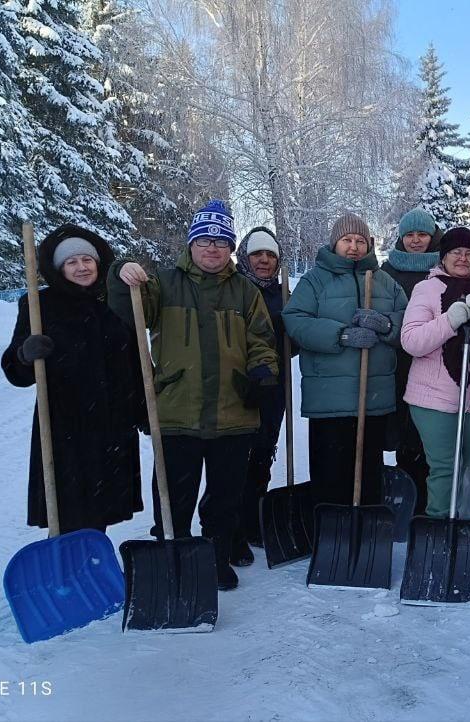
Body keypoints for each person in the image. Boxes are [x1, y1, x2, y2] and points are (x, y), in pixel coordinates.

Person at [108, 199, 280, 591]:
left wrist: (262, 370)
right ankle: (174, 557)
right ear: (191, 245)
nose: (212, 248)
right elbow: (127, 313)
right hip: (175, 411)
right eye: (204, 240)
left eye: (221, 241)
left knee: (224, 499)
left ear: (231, 248)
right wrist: (122, 274)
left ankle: (215, 558)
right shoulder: (164, 285)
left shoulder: (244, 291)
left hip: (233, 412)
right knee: (174, 499)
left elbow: (262, 339)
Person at [1, 225, 144, 534]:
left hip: (111, 428)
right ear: (59, 268)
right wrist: (25, 354)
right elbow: (15, 369)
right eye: (72, 262)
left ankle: (91, 569)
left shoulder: (111, 303)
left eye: (87, 260)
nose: (81, 268)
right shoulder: (39, 306)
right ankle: (69, 572)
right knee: (67, 511)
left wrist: (144, 411)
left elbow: (134, 363)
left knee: (99, 513)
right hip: (66, 429)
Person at [282, 212, 408, 510]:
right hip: (329, 399)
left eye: (360, 241)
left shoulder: (384, 282)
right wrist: (341, 335)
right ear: (334, 243)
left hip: (372, 397)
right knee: (330, 473)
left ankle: (365, 533)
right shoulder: (315, 281)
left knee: (368, 472)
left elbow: (411, 321)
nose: (354, 247)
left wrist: (387, 325)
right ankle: (330, 535)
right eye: (347, 240)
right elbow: (295, 320)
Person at [399, 227, 470, 517]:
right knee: (445, 468)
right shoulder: (427, 289)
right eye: (456, 252)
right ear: (443, 257)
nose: (463, 258)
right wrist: (452, 318)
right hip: (433, 400)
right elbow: (413, 341)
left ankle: (452, 525)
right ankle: (438, 529)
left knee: (462, 466)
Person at [231, 226, 294, 565]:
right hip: (239, 388)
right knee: (235, 458)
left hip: (274, 388)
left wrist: (292, 334)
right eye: (258, 254)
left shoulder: (284, 294)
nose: (265, 260)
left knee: (262, 454)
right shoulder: (233, 288)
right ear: (245, 257)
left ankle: (254, 519)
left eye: (270, 255)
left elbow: (294, 344)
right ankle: (231, 526)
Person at [380, 209, 441, 513]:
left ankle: (427, 500)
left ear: (433, 236)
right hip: (396, 362)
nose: (416, 241)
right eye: (410, 235)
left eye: (422, 234)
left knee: (426, 432)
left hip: (435, 362)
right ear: (401, 238)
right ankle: (404, 496)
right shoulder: (386, 272)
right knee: (401, 428)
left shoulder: (444, 269)